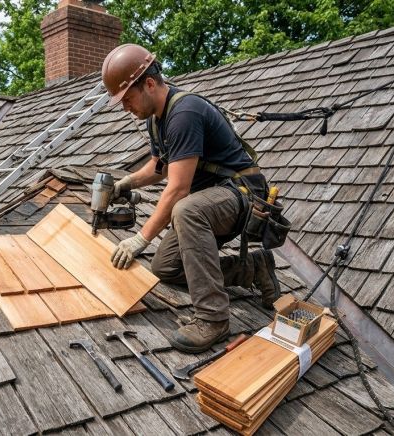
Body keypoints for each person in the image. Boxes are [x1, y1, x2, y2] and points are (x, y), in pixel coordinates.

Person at [101, 43, 280, 353]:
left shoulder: (184, 112)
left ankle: (213, 318)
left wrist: (139, 239)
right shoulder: (157, 120)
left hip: (241, 195)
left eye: (127, 98)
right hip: (212, 200)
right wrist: (125, 183)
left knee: (184, 210)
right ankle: (252, 269)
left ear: (150, 84)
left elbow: (178, 188)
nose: (124, 107)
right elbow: (160, 168)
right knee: (165, 268)